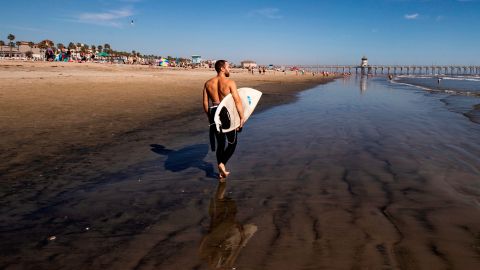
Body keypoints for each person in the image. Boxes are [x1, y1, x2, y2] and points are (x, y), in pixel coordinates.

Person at [203, 60, 245, 179]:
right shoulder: (230, 82)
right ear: (222, 68)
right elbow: (237, 101)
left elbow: (205, 103)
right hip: (225, 112)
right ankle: (222, 164)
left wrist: (210, 117)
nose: (230, 68)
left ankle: (221, 172)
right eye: (228, 66)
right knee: (232, 142)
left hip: (213, 112)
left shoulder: (208, 83)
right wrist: (242, 117)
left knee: (220, 143)